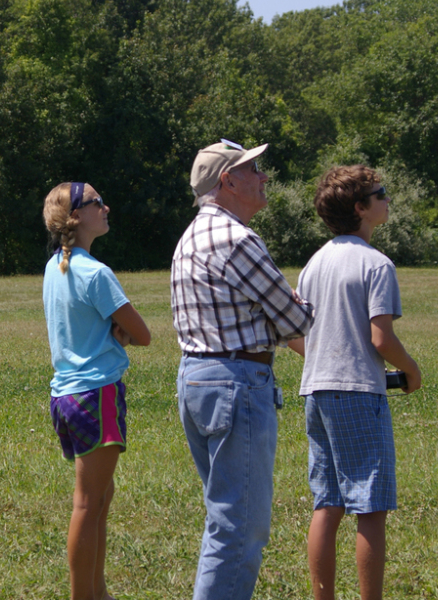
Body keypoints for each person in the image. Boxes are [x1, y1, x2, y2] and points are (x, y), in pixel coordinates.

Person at [171, 139, 314, 600]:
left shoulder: (189, 237)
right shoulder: (238, 239)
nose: (264, 176)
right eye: (253, 169)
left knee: (224, 519)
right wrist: (294, 306)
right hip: (237, 383)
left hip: (196, 379)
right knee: (240, 528)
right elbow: (295, 321)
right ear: (227, 181)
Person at [288, 165, 421, 600]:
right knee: (370, 507)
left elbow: (294, 335)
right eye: (380, 194)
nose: (387, 199)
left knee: (327, 502)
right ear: (361, 209)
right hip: (360, 393)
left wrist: (326, 358)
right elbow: (380, 337)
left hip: (316, 391)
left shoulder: (314, 264)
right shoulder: (376, 264)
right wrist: (412, 369)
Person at [42, 182, 151, 600]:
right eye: (96, 203)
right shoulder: (95, 272)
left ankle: (99, 591)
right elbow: (141, 334)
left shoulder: (56, 267)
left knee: (101, 498)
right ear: (75, 217)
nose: (106, 207)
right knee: (88, 505)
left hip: (65, 396)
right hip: (96, 394)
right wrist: (118, 331)